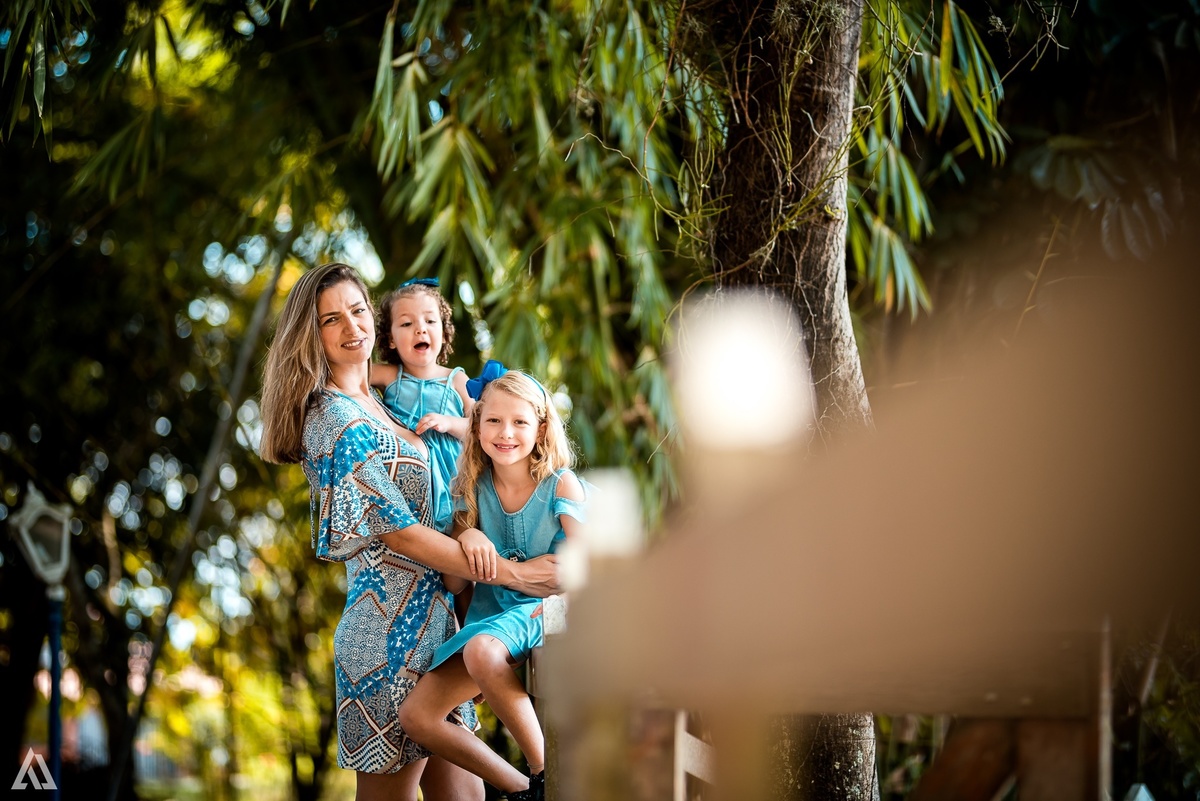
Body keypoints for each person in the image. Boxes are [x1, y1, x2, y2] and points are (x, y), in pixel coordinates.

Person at [258, 263, 557, 801]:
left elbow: (456, 488)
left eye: (357, 310)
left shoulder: (384, 402)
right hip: (384, 638)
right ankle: (534, 787)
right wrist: (517, 575)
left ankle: (530, 788)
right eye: (331, 319)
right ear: (312, 334)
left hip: (439, 629)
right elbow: (398, 533)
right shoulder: (331, 416)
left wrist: (475, 595)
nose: (351, 326)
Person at [399, 368, 586, 801]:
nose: (506, 433)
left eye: (520, 422)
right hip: (492, 616)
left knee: (483, 650)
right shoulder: (469, 488)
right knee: (418, 716)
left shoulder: (561, 485)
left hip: (549, 609)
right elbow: (452, 579)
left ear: (541, 428)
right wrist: (467, 536)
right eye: (494, 421)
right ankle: (526, 788)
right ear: (477, 424)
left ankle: (548, 774)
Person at [371, 277, 472, 535]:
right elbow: (346, 373)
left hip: (456, 486)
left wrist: (449, 423)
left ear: (444, 331)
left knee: (457, 565)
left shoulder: (457, 379)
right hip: (408, 488)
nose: (420, 329)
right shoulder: (390, 376)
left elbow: (481, 426)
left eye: (430, 321)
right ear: (390, 339)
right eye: (406, 323)